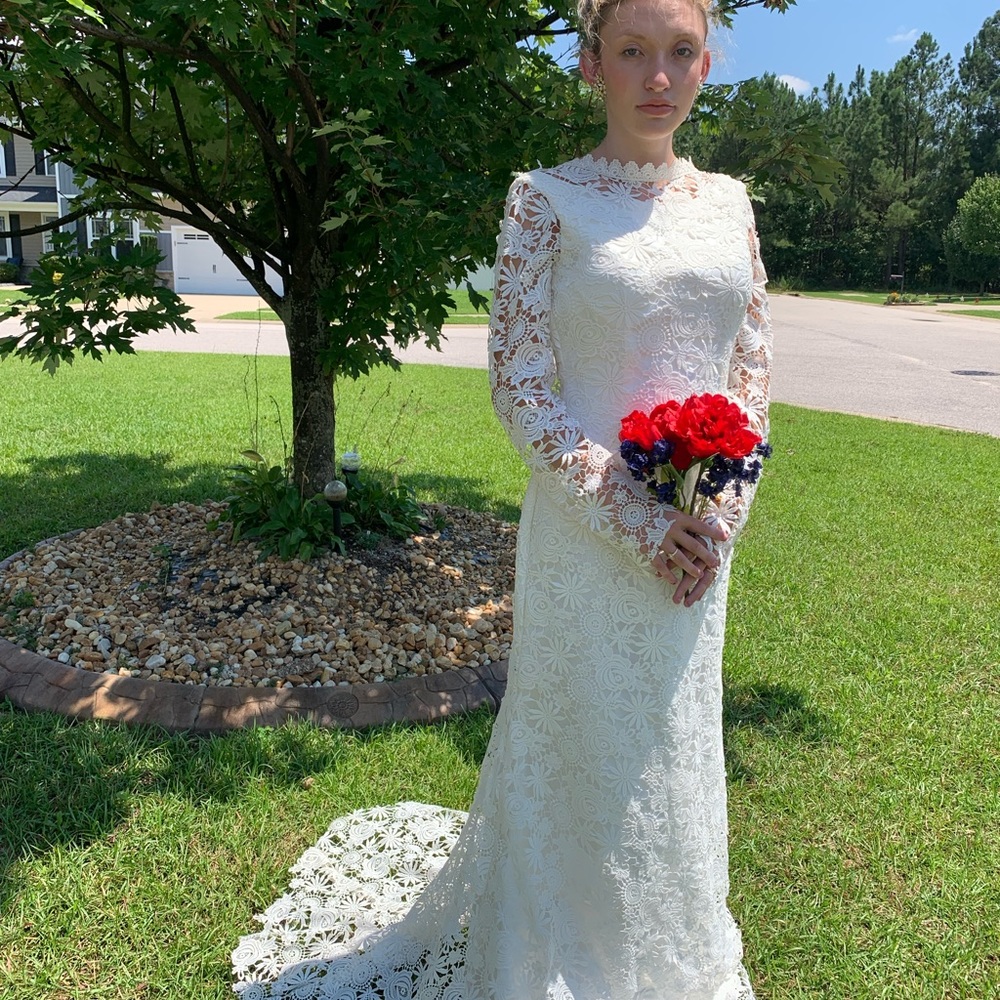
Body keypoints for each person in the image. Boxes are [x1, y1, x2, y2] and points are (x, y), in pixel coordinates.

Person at [232, 0, 770, 997]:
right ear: (591, 64)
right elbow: (522, 387)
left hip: (697, 550)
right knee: (581, 738)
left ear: (705, 65)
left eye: (680, 52)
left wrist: (714, 518)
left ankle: (664, 950)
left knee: (669, 743)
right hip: (587, 532)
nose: (658, 74)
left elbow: (750, 371)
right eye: (632, 52)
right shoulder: (544, 199)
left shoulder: (730, 203)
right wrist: (639, 520)